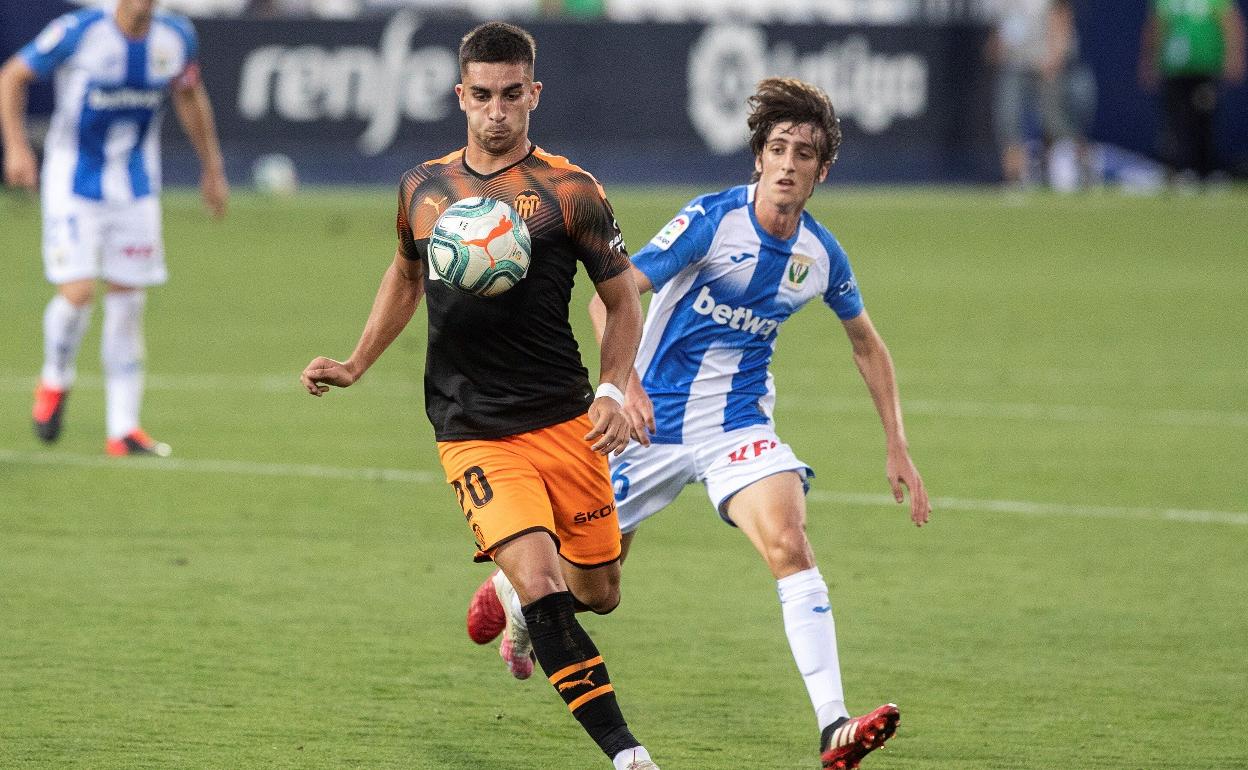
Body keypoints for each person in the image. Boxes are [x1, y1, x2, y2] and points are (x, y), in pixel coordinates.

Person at [470, 77, 931, 770]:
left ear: (820, 170)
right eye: (776, 148)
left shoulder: (820, 257)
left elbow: (866, 342)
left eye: (803, 153)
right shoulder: (713, 221)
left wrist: (898, 444)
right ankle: (516, 593)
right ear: (757, 157)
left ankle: (834, 725)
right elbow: (610, 295)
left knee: (790, 542)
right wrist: (622, 386)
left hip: (736, 427)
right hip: (645, 426)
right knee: (598, 592)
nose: (786, 163)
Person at [299, 21, 659, 770]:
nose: (497, 111)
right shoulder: (424, 189)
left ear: (534, 94)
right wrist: (359, 362)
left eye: (512, 95)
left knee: (601, 591)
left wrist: (614, 390)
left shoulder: (572, 192)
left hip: (566, 421)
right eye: (482, 96)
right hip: (473, 429)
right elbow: (404, 274)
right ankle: (629, 757)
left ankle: (515, 599)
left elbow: (625, 300)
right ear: (461, 96)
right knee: (548, 583)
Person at [1, 0, 228, 456]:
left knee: (128, 301)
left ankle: (123, 429)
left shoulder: (175, 37)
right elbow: (12, 76)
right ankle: (54, 377)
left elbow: (188, 96)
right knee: (79, 292)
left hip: (137, 191)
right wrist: (17, 148)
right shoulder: (79, 31)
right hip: (73, 186)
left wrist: (212, 167)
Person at [1139, 0, 1247, 185]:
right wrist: (1149, 62)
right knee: (1178, 120)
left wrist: (1234, 56)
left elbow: (1230, 23)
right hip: (1175, 68)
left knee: (1204, 118)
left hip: (1204, 66)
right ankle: (1180, 169)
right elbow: (1156, 27)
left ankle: (1205, 170)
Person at [986, 0, 1089, 188]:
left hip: (1047, 64)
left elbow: (1061, 18)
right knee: (1008, 120)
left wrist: (1055, 56)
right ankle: (1015, 179)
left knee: (1057, 124)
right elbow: (1000, 32)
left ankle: (1082, 169)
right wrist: (997, 47)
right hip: (1016, 64)